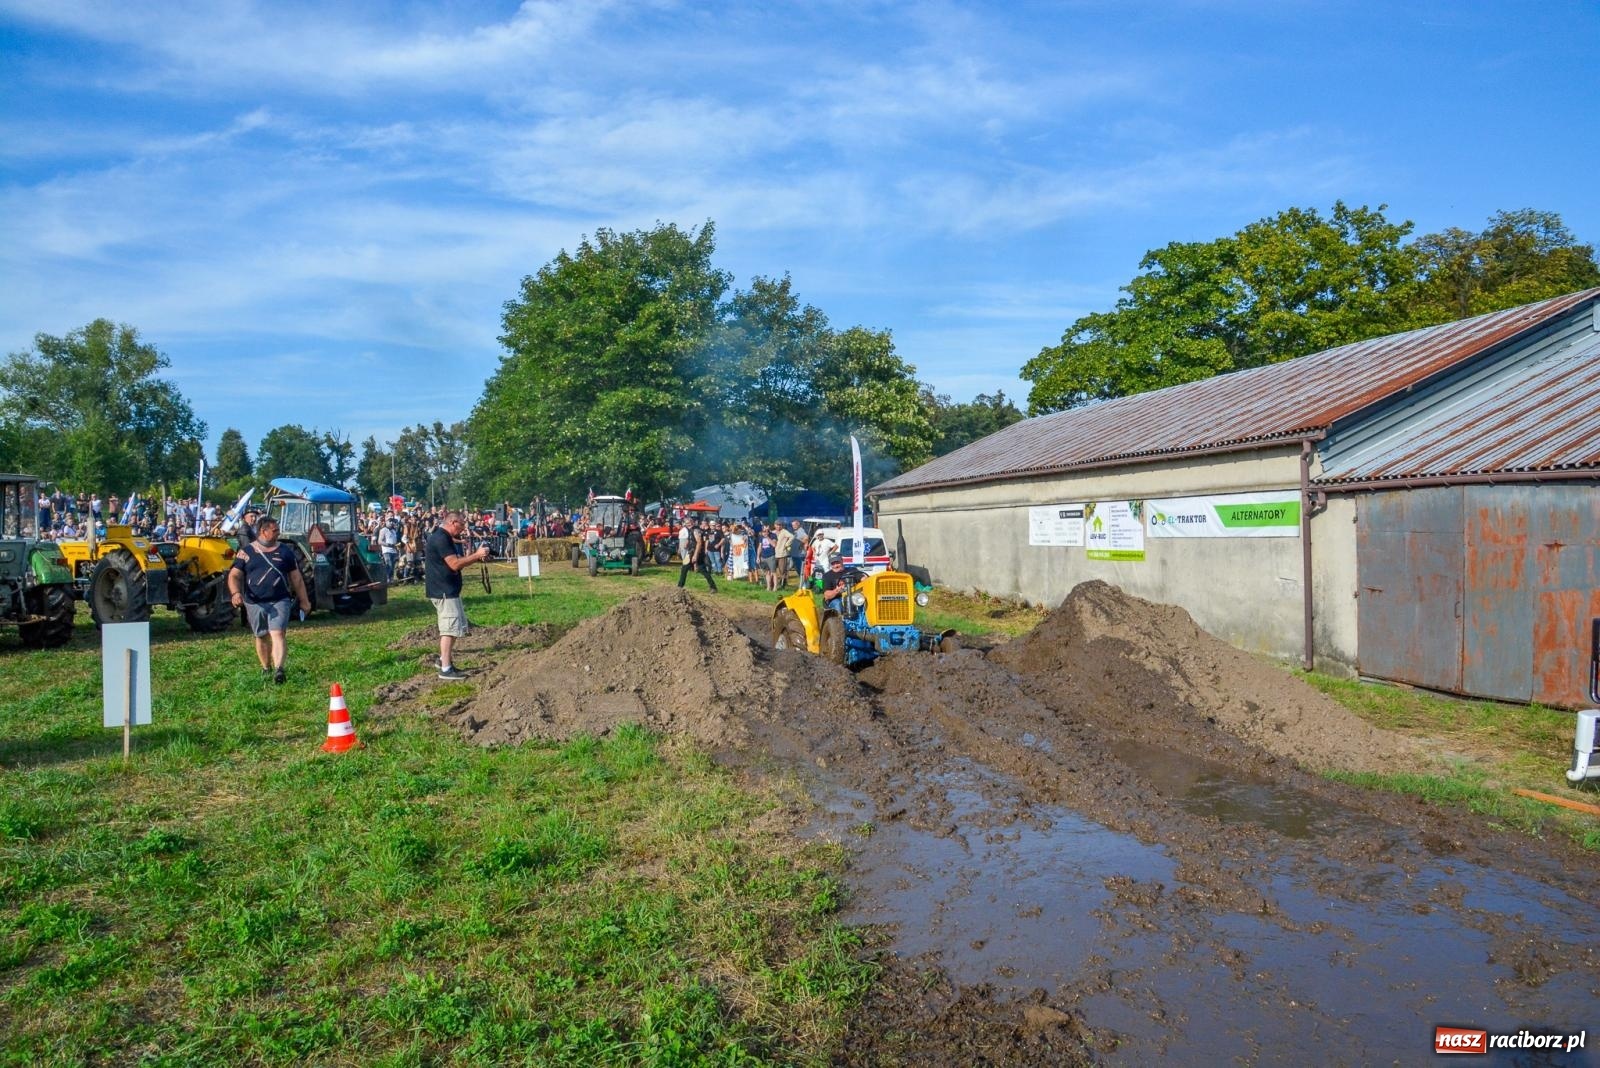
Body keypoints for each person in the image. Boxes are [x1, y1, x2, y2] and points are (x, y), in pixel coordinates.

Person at [228, 516, 312, 684]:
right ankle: (266, 668)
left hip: (280, 600)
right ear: (263, 531)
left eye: (278, 529)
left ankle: (279, 669)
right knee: (261, 635)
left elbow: (296, 579)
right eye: (274, 530)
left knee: (278, 633)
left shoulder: (286, 552)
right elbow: (234, 575)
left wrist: (304, 601)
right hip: (254, 601)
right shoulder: (247, 552)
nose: (278, 533)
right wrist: (236, 593)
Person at [426, 510, 490, 680]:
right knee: (448, 629)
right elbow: (454, 564)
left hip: (448, 590)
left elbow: (454, 560)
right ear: (453, 522)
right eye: (462, 525)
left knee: (454, 628)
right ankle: (445, 670)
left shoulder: (443, 537)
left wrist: (475, 557)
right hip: (444, 591)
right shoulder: (441, 539)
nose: (463, 529)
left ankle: (443, 660)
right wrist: (476, 556)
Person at [676, 517, 717, 591]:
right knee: (684, 568)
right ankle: (680, 586)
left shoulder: (695, 530)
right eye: (687, 523)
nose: (689, 524)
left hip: (697, 552)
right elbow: (690, 539)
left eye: (690, 523)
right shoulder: (690, 530)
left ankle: (713, 587)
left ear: (693, 522)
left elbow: (699, 543)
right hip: (691, 551)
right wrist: (687, 543)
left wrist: (695, 555)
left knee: (702, 570)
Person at [774, 522, 794, 589]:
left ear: (782, 526)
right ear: (775, 525)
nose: (778, 526)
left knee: (782, 570)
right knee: (772, 570)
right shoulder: (773, 532)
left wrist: (787, 544)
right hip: (774, 554)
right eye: (777, 525)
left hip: (782, 554)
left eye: (780, 525)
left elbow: (792, 536)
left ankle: (783, 585)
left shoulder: (784, 531)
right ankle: (773, 584)